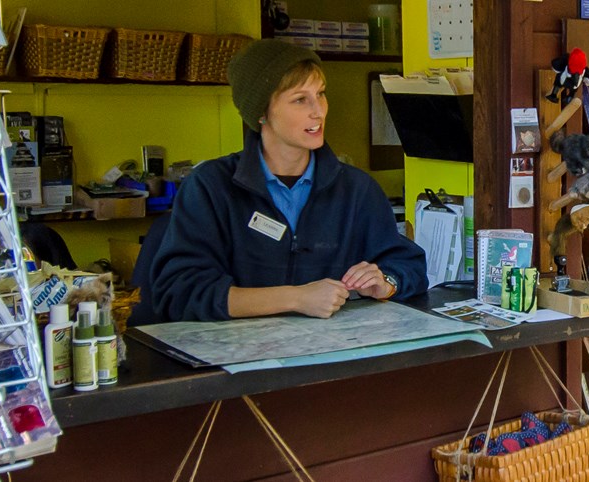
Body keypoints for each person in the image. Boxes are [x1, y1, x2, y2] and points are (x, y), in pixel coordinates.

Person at [147, 39, 427, 322]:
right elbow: (180, 292)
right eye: (300, 99)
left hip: (330, 357)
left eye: (321, 94)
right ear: (260, 113)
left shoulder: (356, 189)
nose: (318, 111)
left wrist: (386, 282)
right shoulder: (210, 187)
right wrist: (297, 298)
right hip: (235, 358)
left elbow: (408, 264)